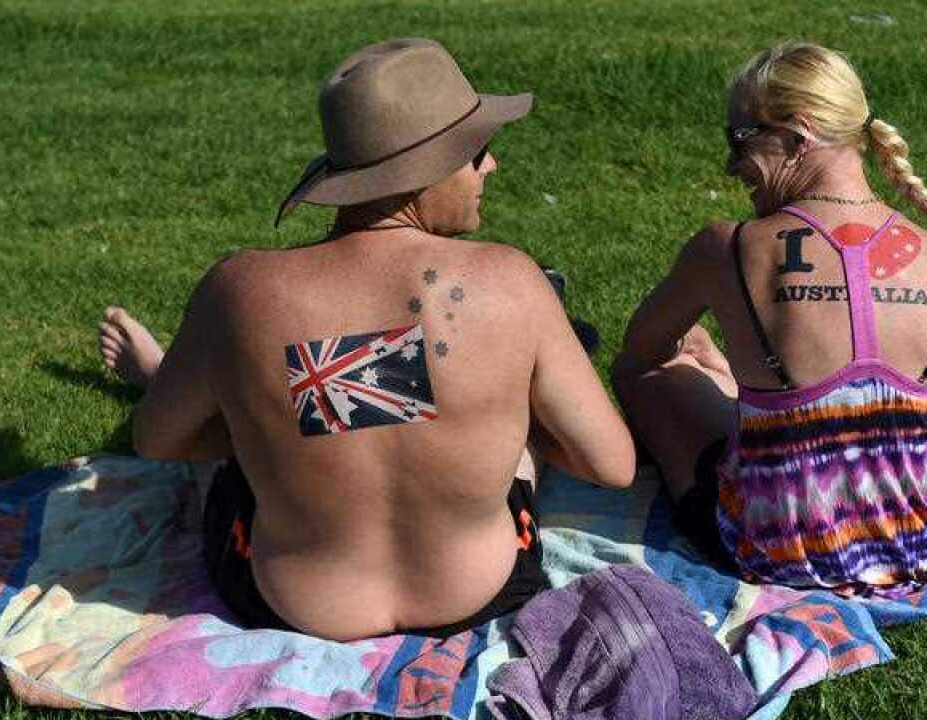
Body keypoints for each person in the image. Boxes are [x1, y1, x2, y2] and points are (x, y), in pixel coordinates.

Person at [97, 38, 635, 641]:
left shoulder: (239, 292)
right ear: (424, 170)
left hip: (292, 602)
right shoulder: (512, 281)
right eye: (478, 151)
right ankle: (466, 410)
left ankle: (185, 380)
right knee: (508, 440)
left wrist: (266, 427)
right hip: (480, 591)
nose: (490, 167)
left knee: (250, 446)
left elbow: (158, 440)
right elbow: (611, 465)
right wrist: (503, 417)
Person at [612, 42, 927, 597]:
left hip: (779, 552)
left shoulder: (727, 249)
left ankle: (751, 414)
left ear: (797, 134)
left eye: (739, 140)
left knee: (652, 371)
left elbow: (641, 351)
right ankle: (918, 494)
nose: (730, 164)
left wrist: (701, 362)